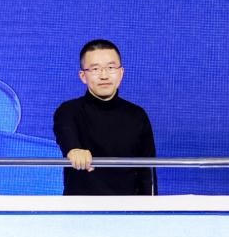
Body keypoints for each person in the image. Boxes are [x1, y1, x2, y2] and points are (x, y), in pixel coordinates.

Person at [53, 39, 156, 195]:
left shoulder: (137, 115)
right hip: (81, 205)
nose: (104, 75)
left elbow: (147, 172)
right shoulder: (68, 111)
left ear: (121, 73)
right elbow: (66, 134)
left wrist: (150, 207)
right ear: (83, 76)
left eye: (111, 68)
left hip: (128, 206)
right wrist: (74, 150)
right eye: (95, 69)